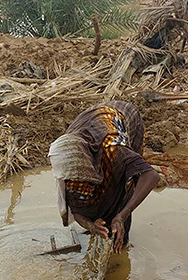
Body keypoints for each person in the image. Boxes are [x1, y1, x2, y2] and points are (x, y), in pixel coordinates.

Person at [49, 101, 158, 254]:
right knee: (92, 193)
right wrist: (91, 225)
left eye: (82, 181)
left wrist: (121, 216)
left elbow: (150, 175)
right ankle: (106, 225)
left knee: (123, 183)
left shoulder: (113, 149)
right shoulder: (66, 162)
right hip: (91, 124)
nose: (76, 185)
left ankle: (121, 236)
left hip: (123, 118)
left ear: (89, 168)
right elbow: (76, 209)